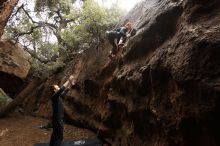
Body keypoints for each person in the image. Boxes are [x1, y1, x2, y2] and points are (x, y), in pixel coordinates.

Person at [49, 75, 76, 146]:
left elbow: (64, 92)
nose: (59, 87)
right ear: (55, 90)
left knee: (55, 135)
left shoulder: (59, 97)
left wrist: (70, 85)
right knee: (59, 137)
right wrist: (68, 80)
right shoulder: (54, 97)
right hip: (58, 120)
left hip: (56, 120)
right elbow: (62, 90)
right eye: (57, 87)